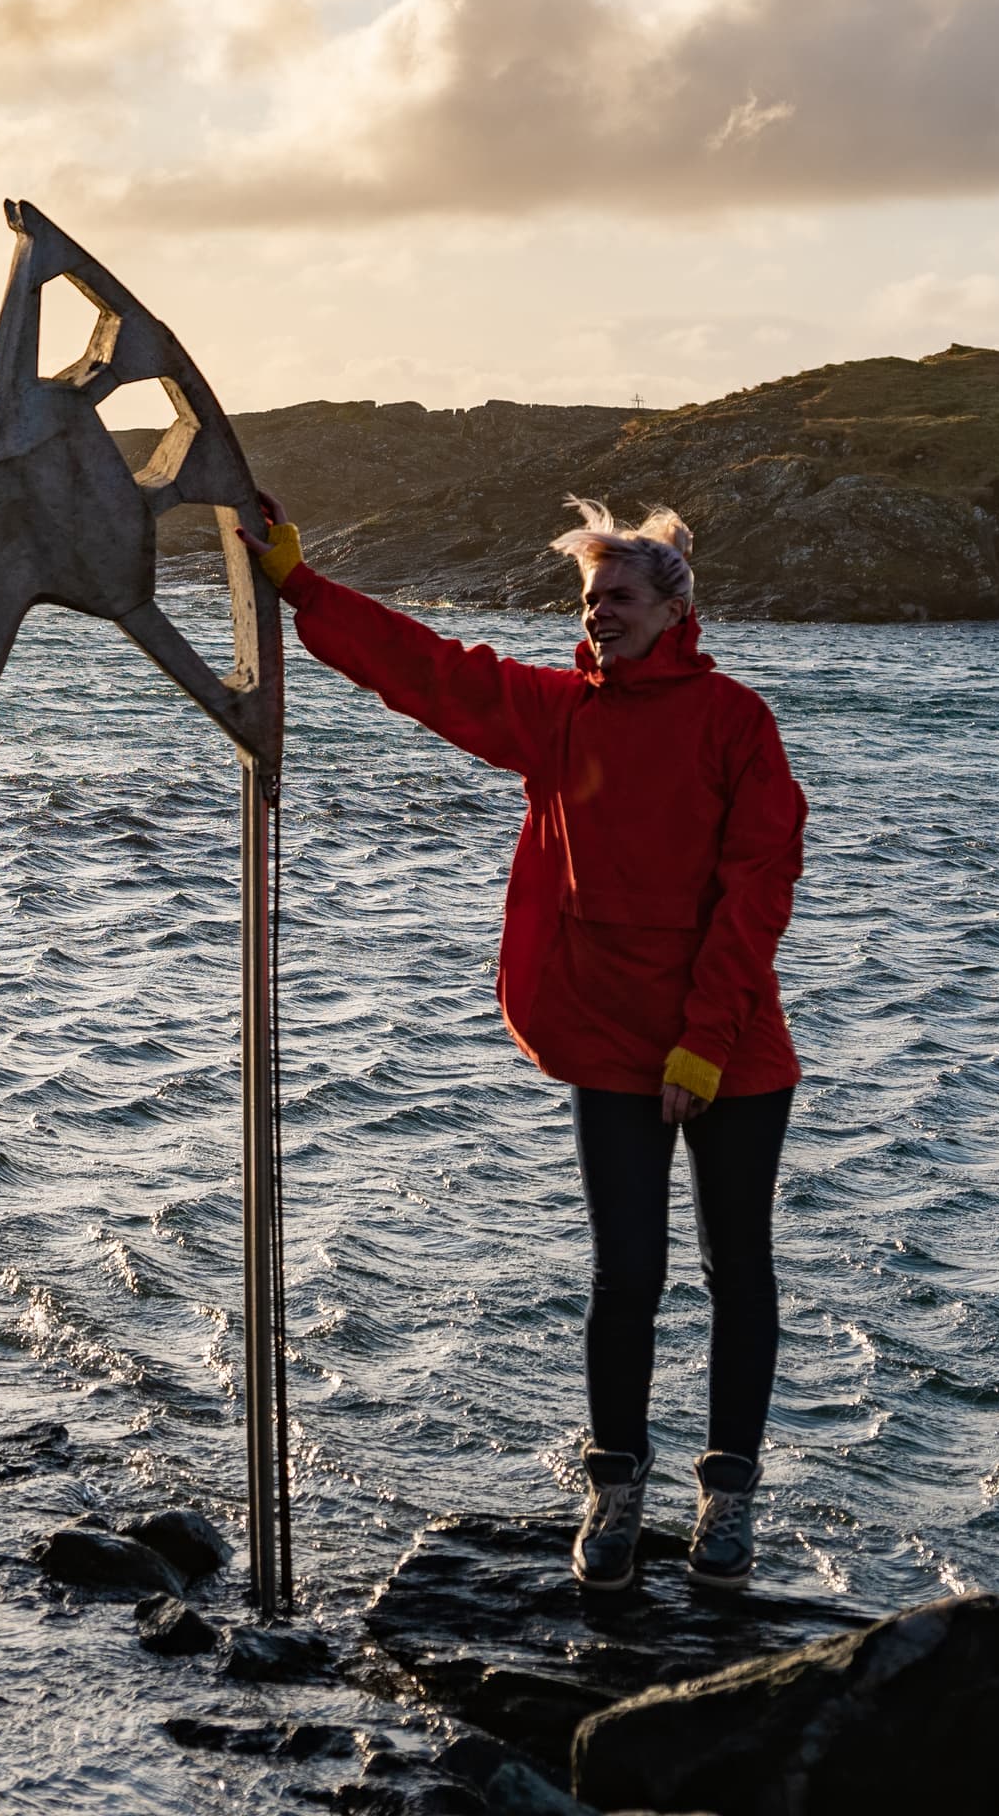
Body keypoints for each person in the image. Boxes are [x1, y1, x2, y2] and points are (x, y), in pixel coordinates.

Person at [255, 493, 806, 1596]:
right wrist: (301, 589)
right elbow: (429, 671)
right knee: (627, 1277)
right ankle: (615, 1495)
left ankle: (728, 1504)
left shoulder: (735, 722)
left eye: (620, 598)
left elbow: (759, 889)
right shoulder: (558, 715)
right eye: (590, 599)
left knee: (737, 1274)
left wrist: (702, 1045)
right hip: (608, 1041)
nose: (600, 616)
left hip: (731, 1045)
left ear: (673, 607)